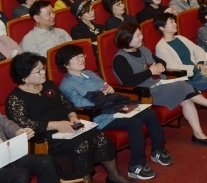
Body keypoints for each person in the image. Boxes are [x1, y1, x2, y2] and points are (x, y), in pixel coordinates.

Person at [6, 52, 134, 183]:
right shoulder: (16, 98)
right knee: (82, 145)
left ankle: (114, 176)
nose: (43, 72)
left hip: (68, 127)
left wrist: (72, 115)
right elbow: (23, 123)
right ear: (24, 77)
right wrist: (55, 125)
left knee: (100, 137)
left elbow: (66, 103)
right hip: (45, 137)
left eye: (43, 68)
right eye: (38, 71)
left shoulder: (48, 85)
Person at [56, 45, 173, 181]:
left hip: (113, 107)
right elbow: (77, 103)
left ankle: (158, 150)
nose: (81, 59)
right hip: (99, 116)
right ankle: (136, 165)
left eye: (82, 56)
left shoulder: (90, 73)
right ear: (65, 64)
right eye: (76, 58)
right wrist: (100, 94)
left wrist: (108, 90)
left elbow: (105, 87)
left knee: (149, 114)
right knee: (134, 123)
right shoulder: (67, 84)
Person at [111, 23, 207, 146]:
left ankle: (198, 134)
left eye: (141, 34)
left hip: (159, 84)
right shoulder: (120, 59)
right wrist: (150, 71)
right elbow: (128, 81)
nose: (141, 37)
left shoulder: (143, 50)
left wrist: (160, 65)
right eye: (137, 36)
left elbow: (160, 61)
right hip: (144, 92)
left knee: (186, 100)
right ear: (127, 39)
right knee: (181, 85)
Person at [153, 13, 207, 105]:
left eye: (174, 21)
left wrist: (200, 62)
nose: (175, 24)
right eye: (171, 22)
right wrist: (194, 68)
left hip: (197, 74)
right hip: (185, 79)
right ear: (162, 27)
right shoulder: (161, 46)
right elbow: (173, 66)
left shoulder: (180, 38)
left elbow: (198, 50)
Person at [0, 112, 58, 183]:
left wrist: (18, 132)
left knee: (45, 161)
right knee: (21, 175)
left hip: (6, 157)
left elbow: (4, 122)